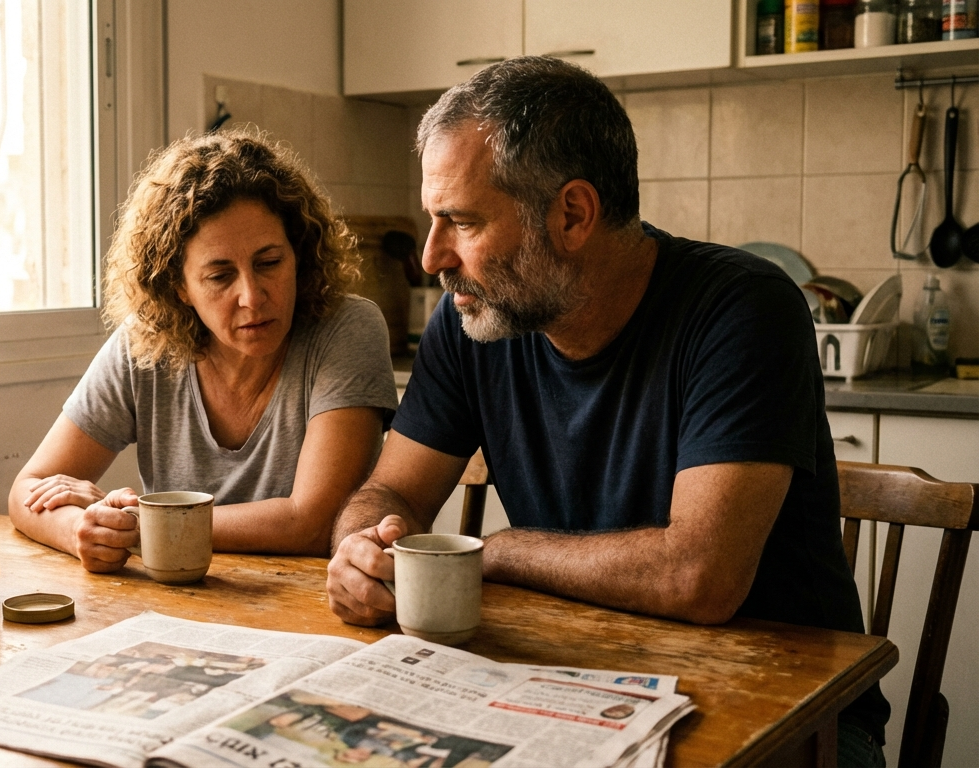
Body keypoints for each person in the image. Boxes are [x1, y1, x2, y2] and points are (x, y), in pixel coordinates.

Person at [323, 58, 888, 766]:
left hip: (801, 721)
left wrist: (495, 553)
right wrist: (360, 548)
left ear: (573, 214)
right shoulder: (473, 320)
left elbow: (699, 576)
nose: (435, 255)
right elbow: (391, 491)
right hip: (577, 687)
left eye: (460, 221)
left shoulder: (744, 309)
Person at [9, 130, 398, 572]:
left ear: (300, 255)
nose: (252, 296)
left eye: (269, 263)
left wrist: (141, 524)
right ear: (179, 288)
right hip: (178, 610)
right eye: (219, 276)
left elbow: (310, 521)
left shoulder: (347, 329)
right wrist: (87, 531)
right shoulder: (146, 344)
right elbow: (29, 489)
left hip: (312, 609)